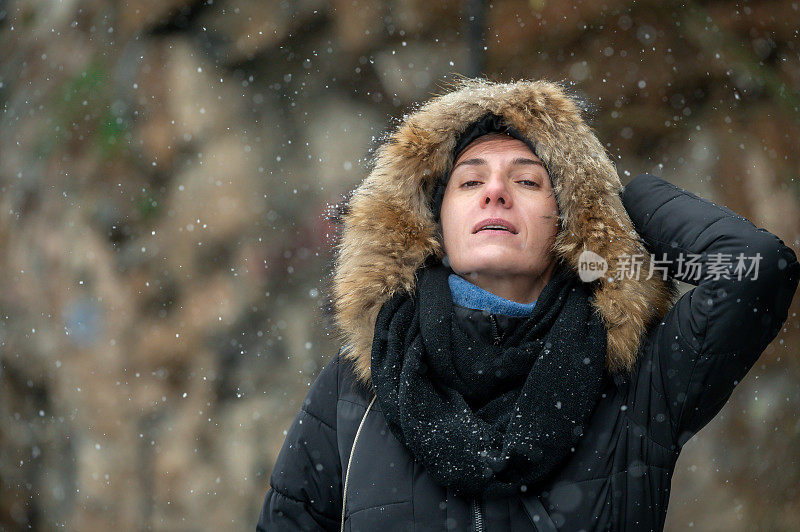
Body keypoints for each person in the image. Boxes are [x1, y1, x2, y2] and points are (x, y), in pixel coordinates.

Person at [256, 78, 800, 531]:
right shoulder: (357, 389)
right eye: (470, 181)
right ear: (433, 223)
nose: (496, 192)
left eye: (527, 180)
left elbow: (753, 268)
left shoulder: (635, 382)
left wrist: (621, 200)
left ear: (567, 220)